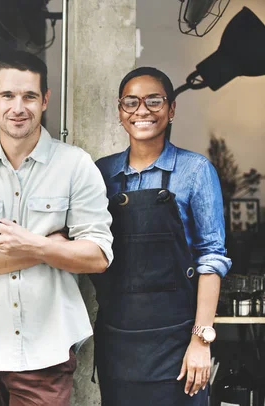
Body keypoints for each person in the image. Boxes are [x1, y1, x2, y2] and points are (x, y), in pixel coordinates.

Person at [0, 50, 114, 406]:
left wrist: (30, 245)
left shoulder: (75, 166)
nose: (18, 107)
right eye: (7, 95)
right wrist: (50, 247)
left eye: (29, 96)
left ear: (45, 99)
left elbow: (97, 256)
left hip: (46, 350)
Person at [92, 67, 231, 406]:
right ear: (120, 111)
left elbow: (211, 257)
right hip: (117, 340)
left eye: (154, 101)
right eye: (131, 102)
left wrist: (201, 340)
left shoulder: (196, 171)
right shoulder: (102, 173)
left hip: (178, 341)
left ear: (171, 110)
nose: (142, 110)